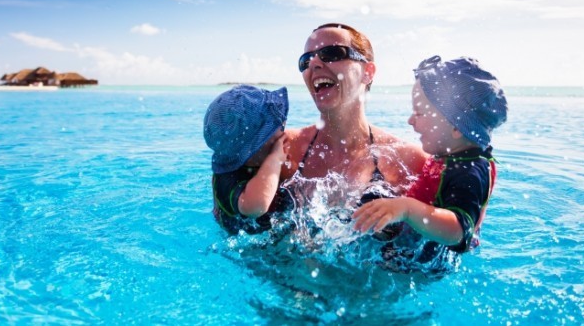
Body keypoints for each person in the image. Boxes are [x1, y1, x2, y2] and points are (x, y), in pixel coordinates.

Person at [352, 55, 508, 252]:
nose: (410, 120)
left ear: (456, 125)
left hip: (419, 264)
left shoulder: (469, 171)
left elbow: (459, 232)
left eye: (419, 113)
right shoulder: (454, 156)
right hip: (412, 240)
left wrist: (406, 209)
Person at [286, 23, 427, 204]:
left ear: (368, 72)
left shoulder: (410, 161)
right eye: (305, 61)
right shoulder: (285, 151)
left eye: (331, 54)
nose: (313, 64)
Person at [203, 85, 290, 235]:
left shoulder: (240, 156)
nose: (284, 125)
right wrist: (274, 160)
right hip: (251, 250)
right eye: (277, 126)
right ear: (254, 148)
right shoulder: (226, 179)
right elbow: (256, 206)